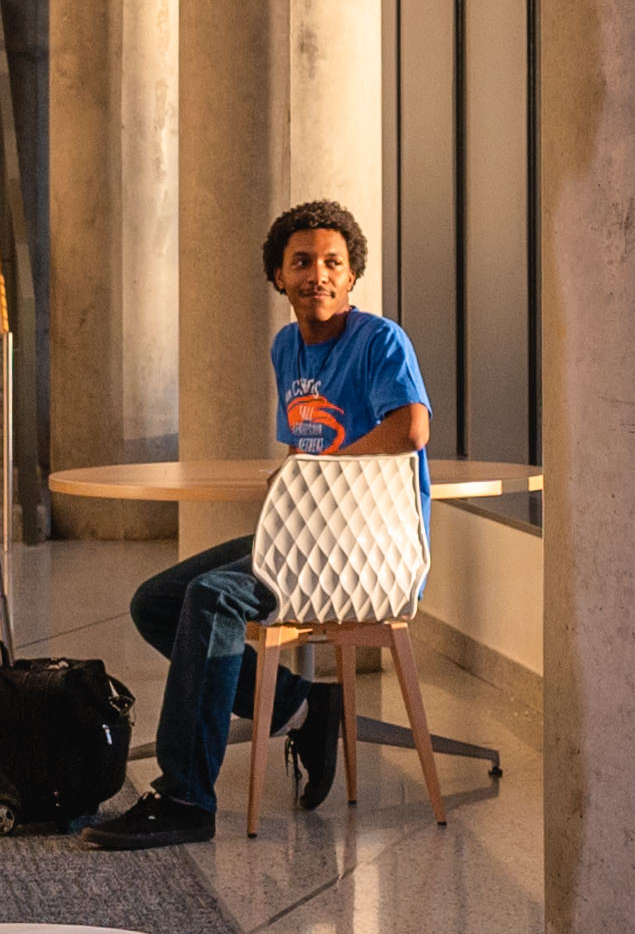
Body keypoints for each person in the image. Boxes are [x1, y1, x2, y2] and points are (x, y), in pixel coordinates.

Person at [87, 199, 430, 849]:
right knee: (155, 602)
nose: (317, 275)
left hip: (372, 551)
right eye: (301, 262)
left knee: (212, 598)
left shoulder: (379, 341)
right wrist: (304, 483)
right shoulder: (287, 346)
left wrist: (321, 470)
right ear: (278, 275)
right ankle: (305, 704)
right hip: (308, 540)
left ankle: (185, 794)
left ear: (352, 275)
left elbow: (410, 427)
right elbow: (303, 448)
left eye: (333, 262)